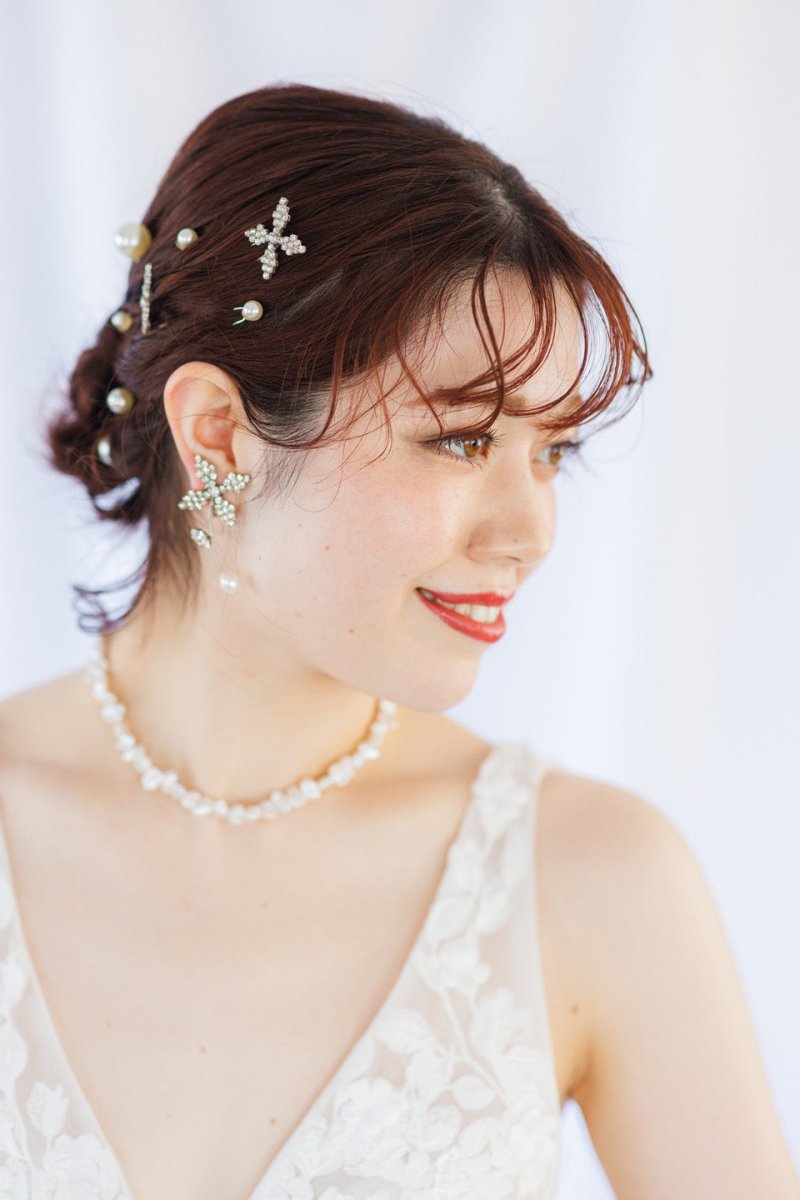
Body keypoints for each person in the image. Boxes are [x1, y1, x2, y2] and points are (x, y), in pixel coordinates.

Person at [0, 82, 796, 1200]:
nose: (530, 534)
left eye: (550, 454)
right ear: (219, 433)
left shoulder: (591, 879)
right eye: (462, 440)